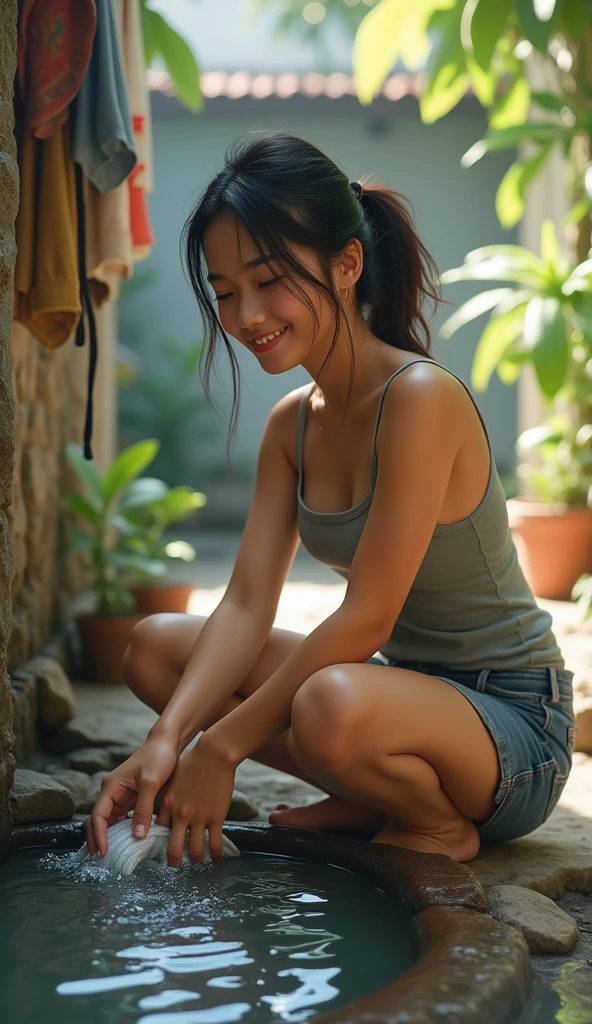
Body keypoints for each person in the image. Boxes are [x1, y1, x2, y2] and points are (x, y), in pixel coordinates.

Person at [85, 131, 575, 868]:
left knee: (328, 703)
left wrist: (219, 748)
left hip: (515, 723)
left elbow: (367, 615)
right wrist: (165, 739)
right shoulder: (293, 425)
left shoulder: (420, 397)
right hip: (402, 695)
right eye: (225, 292)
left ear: (347, 265)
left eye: (268, 280)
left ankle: (434, 823)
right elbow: (245, 605)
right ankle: (374, 790)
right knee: (155, 649)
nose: (247, 315)